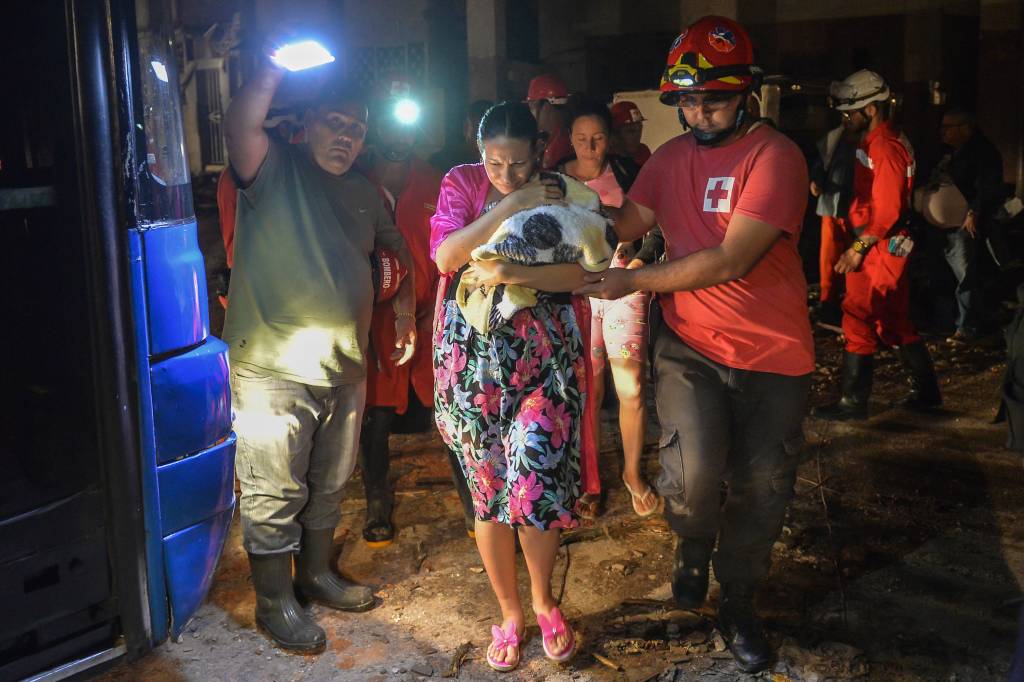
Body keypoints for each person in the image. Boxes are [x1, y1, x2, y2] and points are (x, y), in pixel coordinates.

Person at [576, 16, 813, 673]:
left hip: (774, 354)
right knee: (694, 471)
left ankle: (738, 601)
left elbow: (732, 259)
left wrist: (631, 279)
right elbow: (628, 221)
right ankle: (692, 547)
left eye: (714, 97)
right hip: (688, 345)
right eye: (688, 99)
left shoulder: (775, 156)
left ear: (746, 94)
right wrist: (566, 205)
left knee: (762, 487)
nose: (701, 110)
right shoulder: (668, 161)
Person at [222, 53, 416, 652]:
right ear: (306, 123)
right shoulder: (273, 168)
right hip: (272, 367)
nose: (347, 137)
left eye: (357, 128)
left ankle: (316, 574)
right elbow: (241, 126)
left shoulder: (364, 191)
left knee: (331, 481)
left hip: (344, 364)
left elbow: (398, 257)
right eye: (335, 123)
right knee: (274, 487)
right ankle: (274, 599)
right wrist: (273, 65)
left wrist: (405, 312)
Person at [431, 101, 591, 671]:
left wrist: (511, 272)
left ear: (540, 151)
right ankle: (510, 612)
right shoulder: (462, 184)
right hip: (471, 361)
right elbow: (447, 256)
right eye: (494, 164)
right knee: (489, 492)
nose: (506, 175)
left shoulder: (564, 190)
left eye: (519, 166)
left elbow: (583, 272)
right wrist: (512, 204)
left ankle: (545, 600)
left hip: (544, 353)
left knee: (537, 479)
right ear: (480, 156)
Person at [356, 79, 475, 546]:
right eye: (388, 122)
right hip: (374, 321)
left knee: (450, 408)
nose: (398, 133)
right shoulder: (353, 181)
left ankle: (474, 504)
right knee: (376, 414)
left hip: (433, 317)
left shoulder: (435, 180)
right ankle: (377, 502)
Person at [814, 70, 941, 421]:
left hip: (878, 246)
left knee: (857, 314)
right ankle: (927, 393)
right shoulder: (878, 142)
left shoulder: (884, 147)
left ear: (870, 110)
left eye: (849, 112)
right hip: (883, 243)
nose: (845, 119)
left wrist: (858, 248)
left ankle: (853, 403)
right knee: (893, 320)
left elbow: (887, 211)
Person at [558, 98, 659, 517]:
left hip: (623, 283)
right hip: (573, 289)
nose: (589, 146)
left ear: (608, 139)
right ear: (570, 140)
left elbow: (657, 225)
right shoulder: (554, 180)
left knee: (631, 386)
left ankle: (632, 474)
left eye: (597, 138)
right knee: (589, 388)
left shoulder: (628, 173)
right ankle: (590, 480)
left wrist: (638, 263)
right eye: (581, 139)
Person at [934, 107, 1005, 344]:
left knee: (965, 275)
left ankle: (967, 325)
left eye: (948, 127)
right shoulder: (949, 153)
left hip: (964, 224)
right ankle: (946, 322)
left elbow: (987, 187)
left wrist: (974, 212)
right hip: (944, 225)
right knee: (947, 275)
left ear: (965, 128)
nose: (943, 132)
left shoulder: (983, 153)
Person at [809, 109, 859, 324]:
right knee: (828, 257)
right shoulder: (834, 138)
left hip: (856, 209)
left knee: (854, 255)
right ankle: (828, 301)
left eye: (851, 115)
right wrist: (816, 180)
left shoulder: (868, 141)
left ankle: (854, 302)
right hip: (831, 204)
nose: (847, 120)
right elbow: (820, 164)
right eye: (845, 116)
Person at [429, 98, 493, 173]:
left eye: (491, 130)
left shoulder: (500, 163)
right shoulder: (442, 160)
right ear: (466, 128)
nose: (485, 136)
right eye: (478, 128)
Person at [525, 73, 572, 170]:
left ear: (546, 107)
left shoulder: (559, 149)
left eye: (531, 106)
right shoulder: (568, 137)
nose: (530, 113)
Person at [610, 100, 652, 166]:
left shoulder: (643, 152)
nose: (637, 136)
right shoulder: (605, 159)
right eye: (631, 131)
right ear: (615, 134)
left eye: (640, 129)